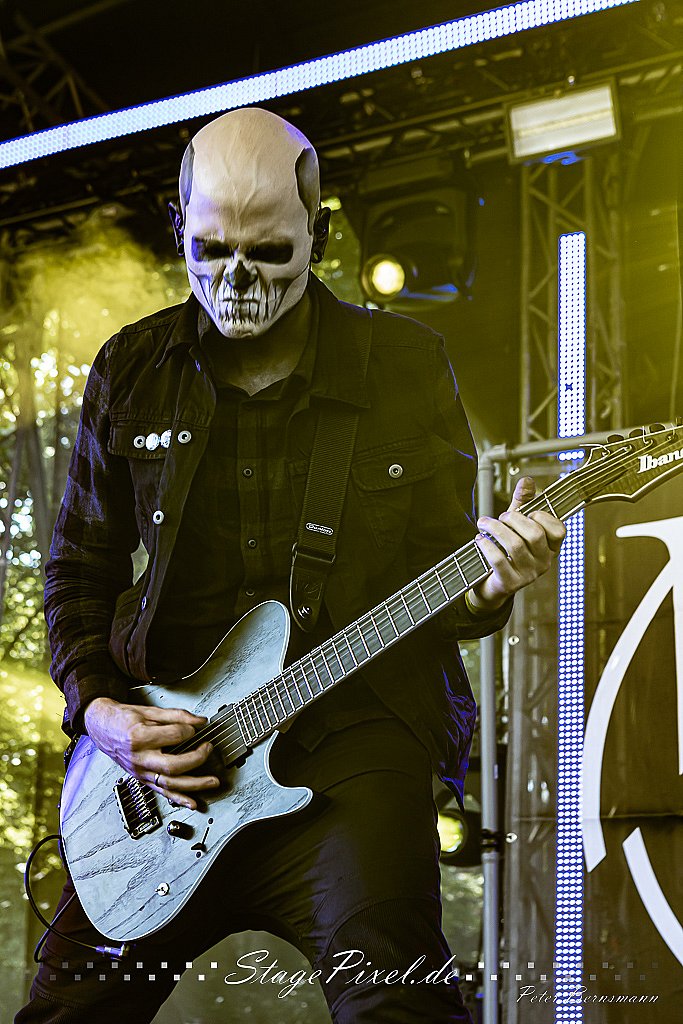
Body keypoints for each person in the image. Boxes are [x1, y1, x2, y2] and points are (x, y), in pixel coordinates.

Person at [17, 107, 565, 1023]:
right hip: (164, 773)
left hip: (355, 749)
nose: (236, 280)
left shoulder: (404, 363)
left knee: (393, 1002)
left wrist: (488, 584)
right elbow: (79, 565)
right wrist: (101, 711)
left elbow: (446, 572)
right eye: (210, 250)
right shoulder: (131, 368)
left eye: (269, 252)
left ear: (319, 231)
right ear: (178, 226)